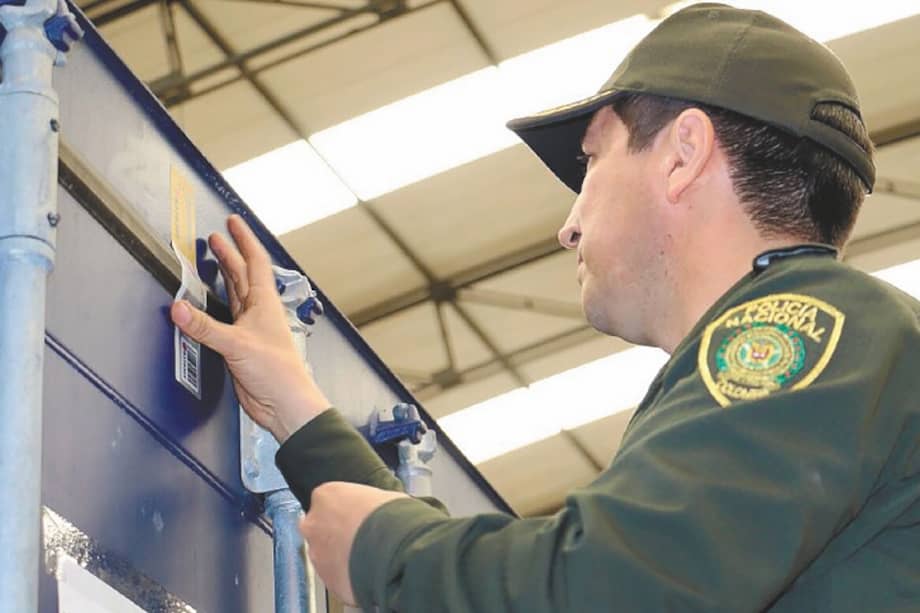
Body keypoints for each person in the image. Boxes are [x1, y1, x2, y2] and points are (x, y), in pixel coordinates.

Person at [171, 3, 920, 611]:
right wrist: (301, 415)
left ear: (684, 153)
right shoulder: (837, 368)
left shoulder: (812, 322)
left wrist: (385, 554)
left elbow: (607, 587)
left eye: (590, 162)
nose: (567, 225)